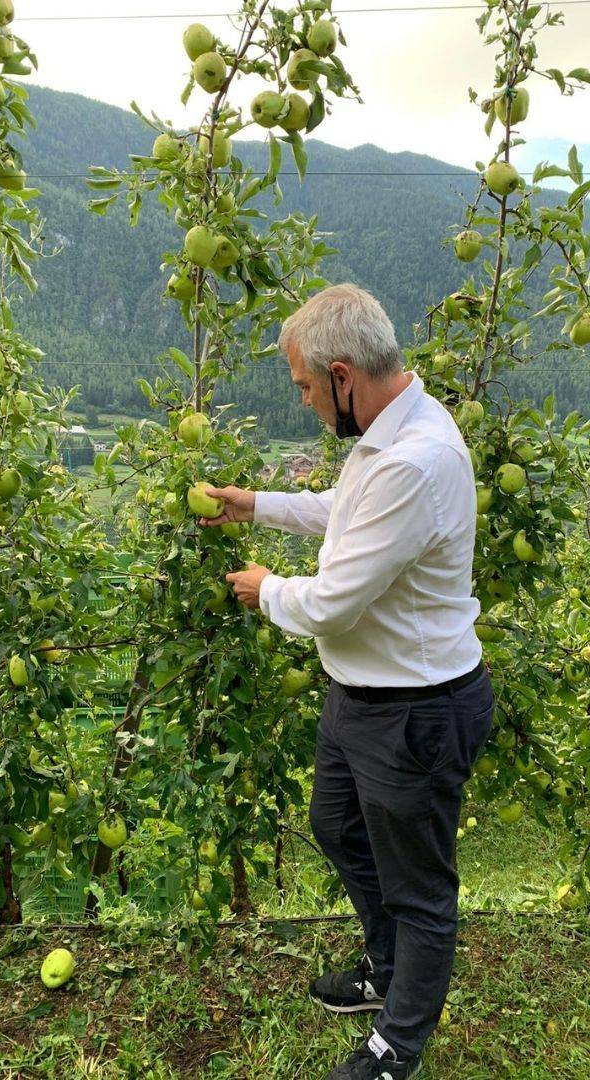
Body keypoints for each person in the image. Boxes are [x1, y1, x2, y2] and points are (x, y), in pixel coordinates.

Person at [199, 284, 491, 1080]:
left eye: (304, 387)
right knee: (335, 827)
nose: (303, 403)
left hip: (415, 710)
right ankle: (387, 965)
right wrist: (255, 505)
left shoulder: (415, 460)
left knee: (419, 887)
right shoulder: (393, 435)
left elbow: (330, 603)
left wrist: (267, 589)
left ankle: (398, 1046)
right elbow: (346, 511)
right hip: (361, 696)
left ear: (341, 375)